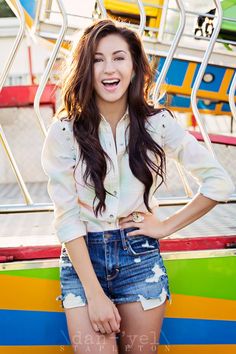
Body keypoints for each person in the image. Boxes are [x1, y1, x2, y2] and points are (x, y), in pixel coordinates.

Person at [41, 19, 234, 354]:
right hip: (83, 261)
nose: (108, 69)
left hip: (139, 259)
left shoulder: (157, 123)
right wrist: (95, 293)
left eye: (119, 57)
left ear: (134, 66)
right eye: (97, 59)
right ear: (85, 68)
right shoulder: (64, 131)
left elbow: (218, 183)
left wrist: (165, 226)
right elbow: (67, 216)